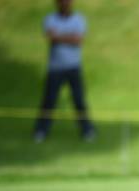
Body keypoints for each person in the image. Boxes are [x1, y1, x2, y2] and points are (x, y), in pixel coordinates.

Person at [33, 0, 95, 143]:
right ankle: (41, 131)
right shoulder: (50, 19)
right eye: (61, 1)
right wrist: (69, 37)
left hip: (74, 67)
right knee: (49, 101)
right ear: (57, 3)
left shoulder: (79, 19)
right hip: (55, 68)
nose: (65, 3)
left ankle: (87, 130)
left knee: (79, 100)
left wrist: (59, 36)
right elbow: (51, 37)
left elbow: (78, 40)